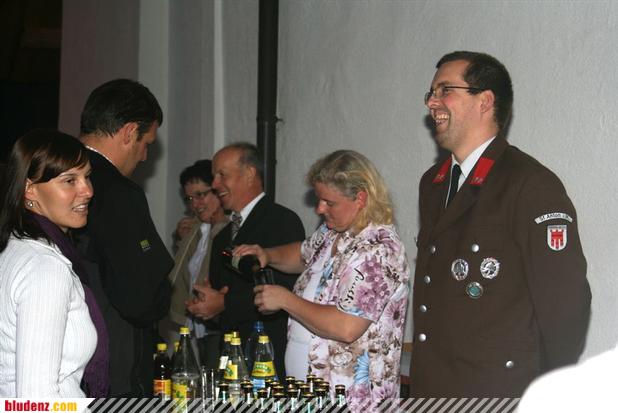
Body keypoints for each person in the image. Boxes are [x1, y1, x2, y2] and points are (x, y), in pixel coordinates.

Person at [411, 51, 591, 396]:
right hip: (435, 388)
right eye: (431, 93)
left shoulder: (529, 183)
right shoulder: (434, 182)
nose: (432, 102)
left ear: (485, 101)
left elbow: (565, 305)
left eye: (445, 90)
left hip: (497, 391)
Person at [235, 150, 409, 410]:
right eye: (319, 199)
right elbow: (303, 254)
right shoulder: (333, 231)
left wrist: (285, 300)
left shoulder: (378, 250)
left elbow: (346, 326)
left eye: (329, 202)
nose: (319, 209)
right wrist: (267, 254)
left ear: (360, 198)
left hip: (352, 400)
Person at [76, 79, 174, 396]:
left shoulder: (48, 173)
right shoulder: (117, 191)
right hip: (108, 362)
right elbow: (139, 297)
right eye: (146, 143)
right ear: (130, 132)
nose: (144, 157)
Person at [0, 129, 108, 397]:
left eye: (87, 176)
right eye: (70, 180)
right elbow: (36, 399)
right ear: (30, 189)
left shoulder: (15, 247)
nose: (87, 191)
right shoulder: (44, 266)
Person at [186, 142, 305, 378]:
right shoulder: (223, 236)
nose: (215, 184)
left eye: (222, 175)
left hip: (267, 358)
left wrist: (225, 303)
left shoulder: (281, 220)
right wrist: (209, 304)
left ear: (249, 173)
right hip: (232, 358)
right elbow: (224, 295)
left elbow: (284, 288)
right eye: (214, 176)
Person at [159, 159, 228, 369]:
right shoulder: (196, 229)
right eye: (190, 198)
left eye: (201, 195)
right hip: (196, 326)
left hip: (219, 327)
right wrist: (179, 241)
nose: (195, 204)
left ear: (218, 190)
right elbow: (188, 273)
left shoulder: (230, 228)